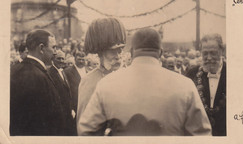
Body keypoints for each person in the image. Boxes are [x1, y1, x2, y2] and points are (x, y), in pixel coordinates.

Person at [77, 28, 211, 136]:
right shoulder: (185, 85)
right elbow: (202, 136)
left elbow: (86, 130)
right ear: (161, 52)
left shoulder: (106, 84)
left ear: (132, 51)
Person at [10, 29, 66, 136]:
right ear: (41, 48)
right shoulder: (40, 76)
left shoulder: (14, 70)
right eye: (53, 47)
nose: (55, 52)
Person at [77, 17, 126, 132]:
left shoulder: (125, 77)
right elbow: (84, 127)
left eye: (120, 50)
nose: (118, 55)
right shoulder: (89, 81)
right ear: (101, 52)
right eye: (113, 51)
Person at [186, 33, 226, 136]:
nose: (208, 57)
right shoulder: (192, 74)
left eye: (213, 53)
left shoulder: (234, 74)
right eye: (205, 53)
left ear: (222, 51)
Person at [47, 50, 75, 135]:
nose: (61, 61)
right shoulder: (49, 72)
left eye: (63, 59)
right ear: (53, 59)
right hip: (58, 113)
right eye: (59, 58)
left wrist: (71, 108)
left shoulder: (62, 71)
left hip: (67, 112)